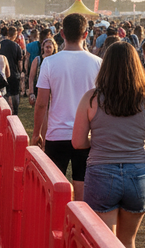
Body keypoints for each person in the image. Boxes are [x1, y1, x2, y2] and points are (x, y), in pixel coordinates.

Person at [72, 43, 145, 248]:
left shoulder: (91, 98)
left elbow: (77, 142)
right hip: (138, 175)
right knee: (127, 240)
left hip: (101, 172)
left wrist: (98, 141)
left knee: (105, 243)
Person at [32, 13, 101, 201]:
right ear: (86, 34)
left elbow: (41, 104)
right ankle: (79, 227)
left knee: (54, 188)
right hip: (86, 135)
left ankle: (56, 224)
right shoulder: (98, 63)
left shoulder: (49, 62)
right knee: (82, 186)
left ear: (61, 34)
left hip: (56, 134)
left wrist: (36, 133)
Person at [0, 26, 24, 115]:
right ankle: (15, 112)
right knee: (15, 94)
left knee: (5, 94)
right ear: (15, 35)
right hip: (14, 73)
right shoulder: (16, 46)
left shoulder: (0, 44)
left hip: (2, 73)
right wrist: (21, 72)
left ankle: (4, 111)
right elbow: (19, 62)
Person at [28, 37, 57, 107]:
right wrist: (31, 93)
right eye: (46, 47)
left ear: (54, 48)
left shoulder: (56, 60)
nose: (48, 49)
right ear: (43, 48)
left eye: (50, 47)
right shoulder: (37, 60)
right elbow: (31, 77)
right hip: (40, 90)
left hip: (54, 91)